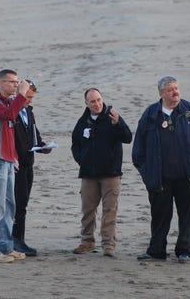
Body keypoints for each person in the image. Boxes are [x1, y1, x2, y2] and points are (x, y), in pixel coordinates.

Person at [132, 76, 190, 263]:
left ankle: (184, 251)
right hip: (160, 177)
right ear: (161, 94)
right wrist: (147, 173)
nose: (175, 92)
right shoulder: (151, 114)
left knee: (187, 215)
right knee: (160, 215)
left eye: (176, 88)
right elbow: (139, 149)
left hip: (188, 175)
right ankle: (156, 251)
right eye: (170, 90)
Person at [71, 88, 132, 258]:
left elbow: (127, 137)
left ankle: (108, 245)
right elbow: (75, 144)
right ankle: (87, 242)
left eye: (98, 100)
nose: (97, 104)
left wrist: (118, 124)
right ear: (86, 104)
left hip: (110, 173)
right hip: (88, 174)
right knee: (88, 210)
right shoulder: (83, 122)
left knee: (109, 210)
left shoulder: (112, 116)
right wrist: (82, 160)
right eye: (92, 101)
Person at [0, 69, 32, 263]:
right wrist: (21, 94)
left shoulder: (9, 102)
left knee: (9, 207)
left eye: (17, 82)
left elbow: (9, 134)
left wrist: (14, 158)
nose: (16, 85)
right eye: (12, 82)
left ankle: (6, 247)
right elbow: (10, 115)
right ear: (1, 83)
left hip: (8, 161)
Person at [12, 79, 52, 257]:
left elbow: (34, 134)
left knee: (23, 203)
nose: (29, 101)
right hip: (15, 165)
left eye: (32, 97)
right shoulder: (11, 112)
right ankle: (15, 241)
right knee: (16, 204)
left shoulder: (28, 111)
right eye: (27, 97)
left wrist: (42, 146)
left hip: (29, 163)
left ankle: (19, 239)